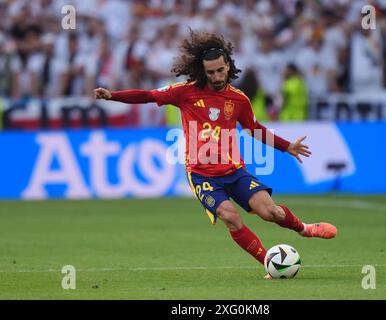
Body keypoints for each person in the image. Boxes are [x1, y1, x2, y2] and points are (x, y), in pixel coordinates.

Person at [94, 30, 337, 278]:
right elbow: (147, 96)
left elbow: (255, 129)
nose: (217, 76)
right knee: (229, 216)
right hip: (202, 175)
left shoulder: (238, 99)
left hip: (235, 171)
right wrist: (113, 95)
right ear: (202, 71)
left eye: (220, 70)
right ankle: (271, 263)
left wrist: (287, 146)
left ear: (228, 66)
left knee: (270, 213)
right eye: (211, 72)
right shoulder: (184, 93)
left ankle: (305, 229)